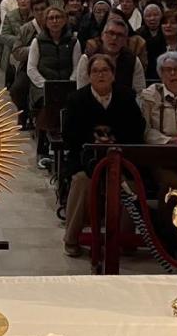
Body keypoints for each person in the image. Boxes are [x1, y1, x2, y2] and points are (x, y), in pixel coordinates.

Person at [61, 53, 146, 258]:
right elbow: (69, 136)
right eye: (95, 71)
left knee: (130, 185)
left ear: (113, 75)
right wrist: (93, 139)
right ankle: (71, 239)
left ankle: (124, 239)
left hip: (119, 157)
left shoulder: (126, 97)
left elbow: (138, 129)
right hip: (85, 159)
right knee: (81, 182)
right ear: (89, 76)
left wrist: (114, 139)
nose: (101, 75)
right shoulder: (76, 100)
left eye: (105, 70)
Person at [77, 18, 145, 93]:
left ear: (125, 40)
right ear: (102, 35)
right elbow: (81, 91)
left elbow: (140, 93)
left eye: (120, 35)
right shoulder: (87, 58)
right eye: (111, 33)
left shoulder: (133, 60)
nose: (114, 38)